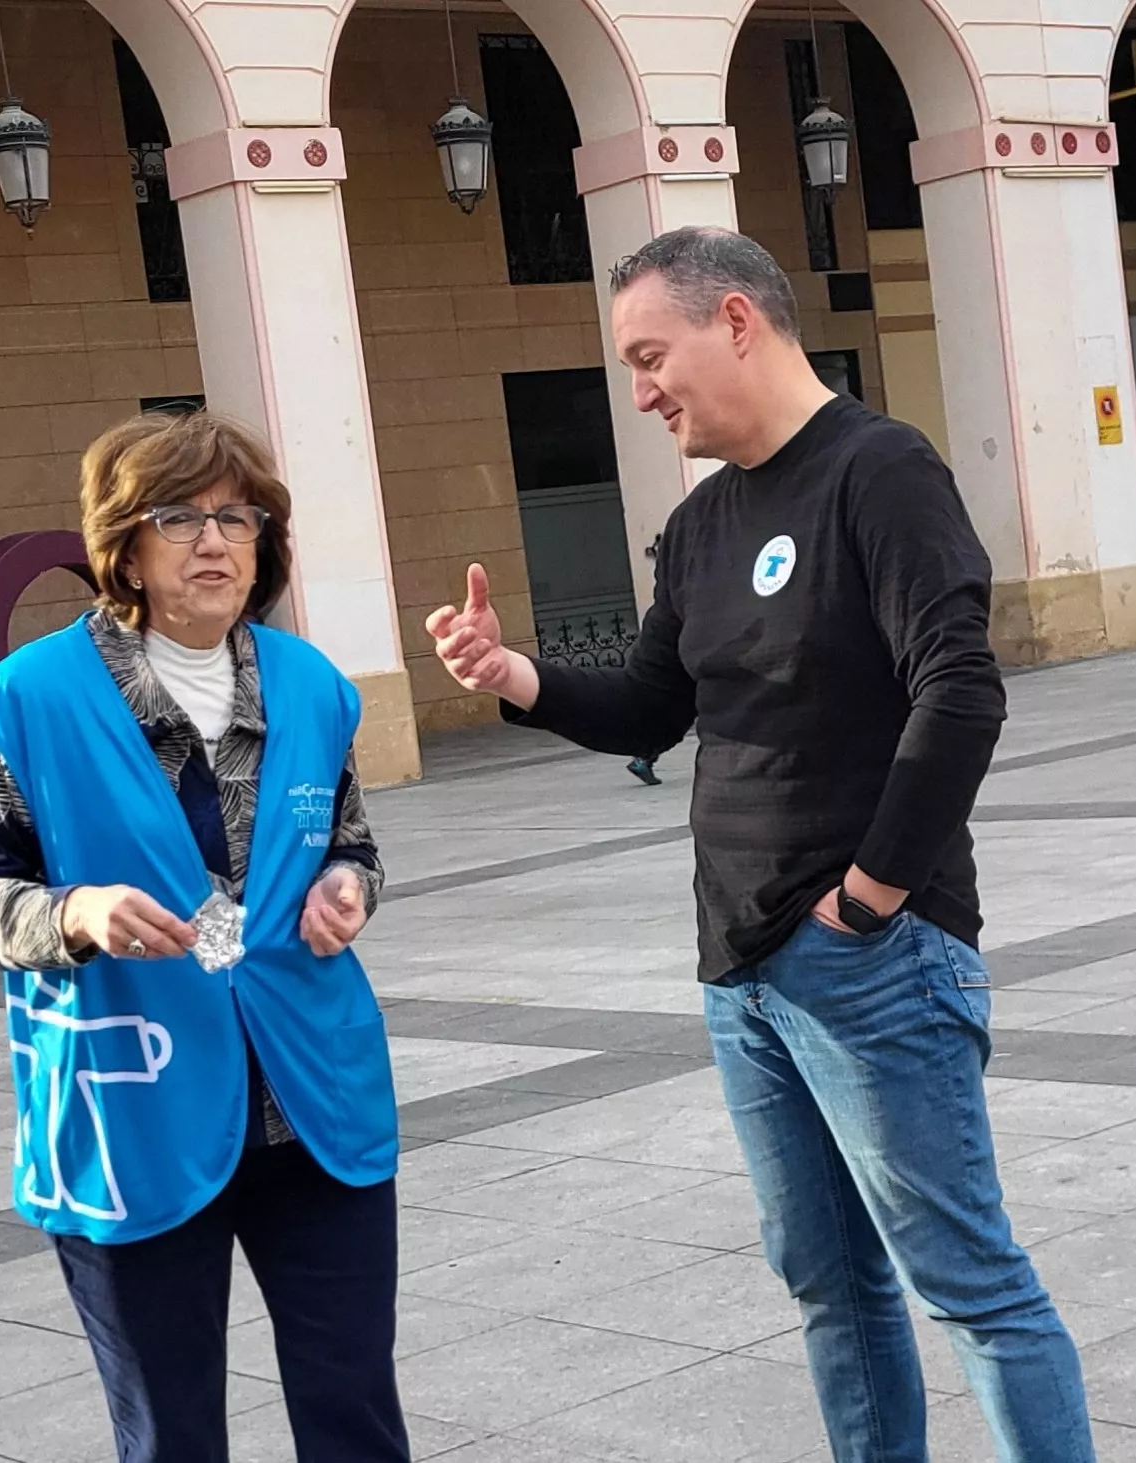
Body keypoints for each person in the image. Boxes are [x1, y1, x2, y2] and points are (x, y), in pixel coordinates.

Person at [425, 227, 1093, 1463]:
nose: (641, 392)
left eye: (648, 354)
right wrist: (515, 673)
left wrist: (872, 894)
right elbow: (648, 707)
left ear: (735, 318)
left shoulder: (880, 471)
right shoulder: (702, 523)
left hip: (871, 960)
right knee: (830, 1286)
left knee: (970, 1282)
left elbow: (961, 688)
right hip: (741, 973)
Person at [0, 410, 405, 1463]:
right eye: (181, 517)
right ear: (126, 545)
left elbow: (353, 844)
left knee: (356, 1415)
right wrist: (73, 913)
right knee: (171, 1431)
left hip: (313, 1107)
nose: (216, 541)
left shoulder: (313, 687)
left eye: (238, 517)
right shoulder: (31, 700)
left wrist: (349, 889)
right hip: (132, 1113)